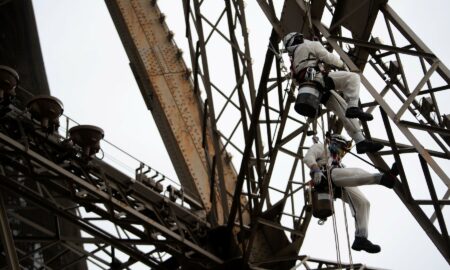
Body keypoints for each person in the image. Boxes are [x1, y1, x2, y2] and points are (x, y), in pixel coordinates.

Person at [283, 32, 383, 154]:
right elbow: (327, 57)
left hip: (313, 92)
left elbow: (296, 81)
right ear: (298, 39)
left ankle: (360, 141)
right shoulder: (310, 46)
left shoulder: (293, 62)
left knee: (342, 108)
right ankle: (353, 107)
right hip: (319, 81)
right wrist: (343, 65)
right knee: (353, 78)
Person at [304, 133, 398, 253]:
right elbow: (308, 157)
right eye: (342, 148)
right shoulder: (321, 148)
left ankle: (361, 238)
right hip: (325, 178)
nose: (342, 153)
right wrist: (315, 169)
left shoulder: (338, 162)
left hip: (337, 182)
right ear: (336, 142)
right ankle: (383, 178)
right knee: (354, 172)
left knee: (363, 203)